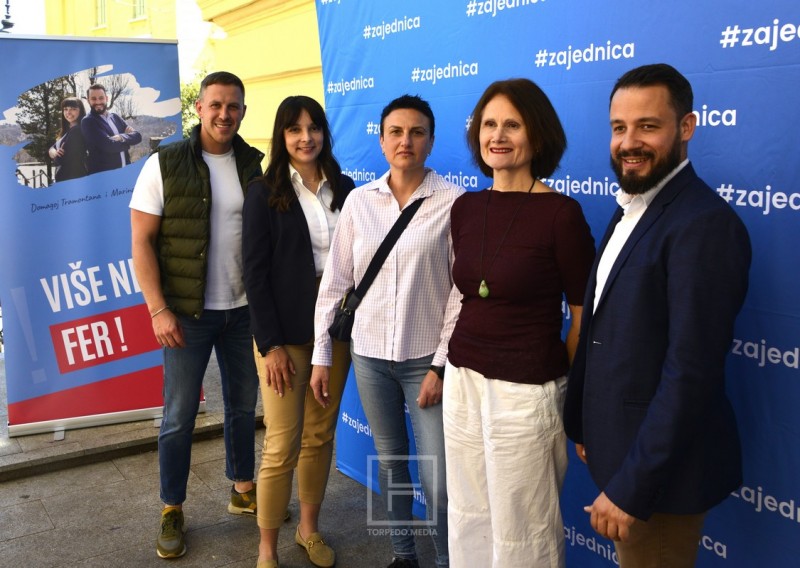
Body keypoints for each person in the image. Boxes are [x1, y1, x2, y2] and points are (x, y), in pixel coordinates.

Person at [563, 63, 751, 568]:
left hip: (659, 479)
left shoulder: (704, 224)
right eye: (619, 127)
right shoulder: (634, 205)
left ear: (686, 127)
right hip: (622, 450)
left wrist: (632, 486)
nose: (629, 142)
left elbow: (691, 373)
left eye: (647, 126)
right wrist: (589, 425)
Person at [443, 78, 595, 568]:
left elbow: (582, 316)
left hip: (526, 392)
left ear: (538, 133)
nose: (498, 135)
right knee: (468, 512)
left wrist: (566, 390)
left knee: (524, 529)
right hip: (463, 378)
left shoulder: (561, 215)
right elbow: (466, 294)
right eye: (489, 124)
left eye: (512, 124)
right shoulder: (466, 208)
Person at [310, 94, 462, 568]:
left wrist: (441, 364)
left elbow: (461, 294)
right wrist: (321, 354)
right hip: (370, 357)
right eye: (395, 132)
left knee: (438, 479)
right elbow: (336, 282)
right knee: (392, 462)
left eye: (417, 132)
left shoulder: (453, 202)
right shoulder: (360, 201)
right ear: (381, 141)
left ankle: (447, 560)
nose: (405, 141)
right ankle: (403, 554)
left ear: (431, 141)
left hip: (426, 362)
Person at [129, 71, 264, 560]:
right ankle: (172, 508)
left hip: (244, 312)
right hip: (186, 314)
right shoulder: (165, 164)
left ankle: (242, 489)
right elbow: (141, 242)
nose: (225, 114)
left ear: (242, 111)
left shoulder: (253, 164)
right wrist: (158, 309)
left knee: (243, 407)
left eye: (233, 106)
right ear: (200, 108)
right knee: (179, 416)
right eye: (216, 105)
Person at [242, 95, 355, 568]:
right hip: (283, 337)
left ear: (324, 132)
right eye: (295, 129)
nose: (306, 137)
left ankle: (308, 529)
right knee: (281, 443)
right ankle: (266, 549)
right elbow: (253, 274)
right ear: (282, 136)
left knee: (319, 435)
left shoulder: (345, 189)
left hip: (334, 333)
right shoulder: (262, 192)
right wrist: (269, 345)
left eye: (314, 127)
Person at [81, 82, 142, 173]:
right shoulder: (88, 121)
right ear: (88, 101)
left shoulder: (115, 117)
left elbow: (138, 136)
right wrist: (128, 141)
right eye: (93, 99)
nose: (98, 102)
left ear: (106, 98)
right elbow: (109, 146)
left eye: (101, 98)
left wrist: (121, 137)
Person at [48, 97, 87, 182]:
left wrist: (54, 154)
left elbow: (60, 159)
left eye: (73, 109)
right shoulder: (67, 131)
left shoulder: (77, 131)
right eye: (65, 109)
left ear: (80, 111)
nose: (68, 112)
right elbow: (52, 149)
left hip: (73, 178)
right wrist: (54, 152)